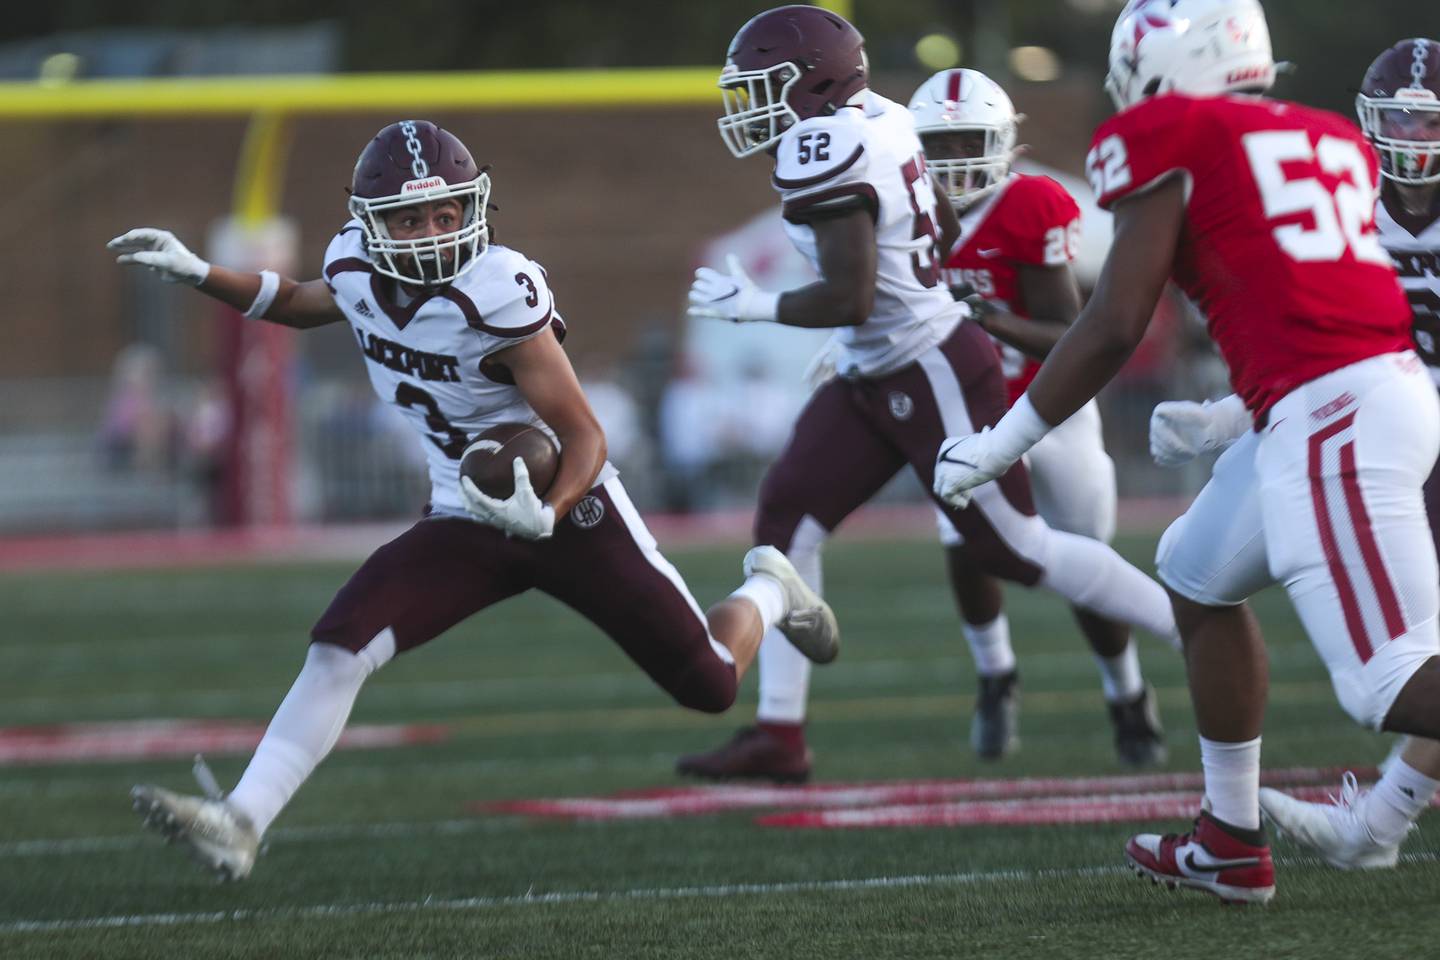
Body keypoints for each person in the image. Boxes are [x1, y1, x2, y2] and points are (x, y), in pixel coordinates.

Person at [110, 120, 839, 880]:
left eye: (445, 214)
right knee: (340, 643)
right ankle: (242, 818)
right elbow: (296, 300)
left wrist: (549, 512)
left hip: (569, 507)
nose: (431, 232)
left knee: (711, 682)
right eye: (409, 218)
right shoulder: (356, 267)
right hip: (466, 512)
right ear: (371, 222)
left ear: (472, 209)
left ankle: (770, 588)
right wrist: (202, 273)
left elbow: (586, 436)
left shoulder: (498, 291)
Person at [933, 0, 1440, 905]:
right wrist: (1230, 414)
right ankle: (1230, 840)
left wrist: (1001, 440)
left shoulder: (1174, 130)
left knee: (1384, 684)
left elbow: (1112, 322)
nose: (1128, 85)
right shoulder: (1320, 131)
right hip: (1346, 394)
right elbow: (1314, 304)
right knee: (1195, 574)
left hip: (1334, 417)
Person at [676, 4, 1179, 785]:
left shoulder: (823, 143)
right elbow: (939, 225)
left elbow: (847, 295)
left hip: (931, 366)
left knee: (1012, 549)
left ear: (812, 82)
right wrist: (893, 307)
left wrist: (758, 304)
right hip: (877, 364)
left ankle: (1193, 628)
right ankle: (780, 735)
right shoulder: (878, 116)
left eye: (765, 86)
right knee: (785, 520)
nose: (751, 105)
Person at [1222, 38, 1440, 872]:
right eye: (1401, 118)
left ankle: (1374, 827)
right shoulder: (1345, 201)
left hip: (1405, 435)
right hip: (1382, 433)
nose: (1416, 136)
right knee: (1415, 654)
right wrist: (1228, 411)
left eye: (1430, 118)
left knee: (1396, 669)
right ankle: (1375, 828)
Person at [910, 67, 1164, 765]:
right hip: (968, 409)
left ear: (1004, 144)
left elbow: (1070, 332)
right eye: (942, 143)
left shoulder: (1033, 207)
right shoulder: (901, 213)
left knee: (1088, 558)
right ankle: (996, 676)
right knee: (962, 543)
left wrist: (984, 315)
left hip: (1053, 406)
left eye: (970, 141)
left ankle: (1127, 692)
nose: (958, 160)